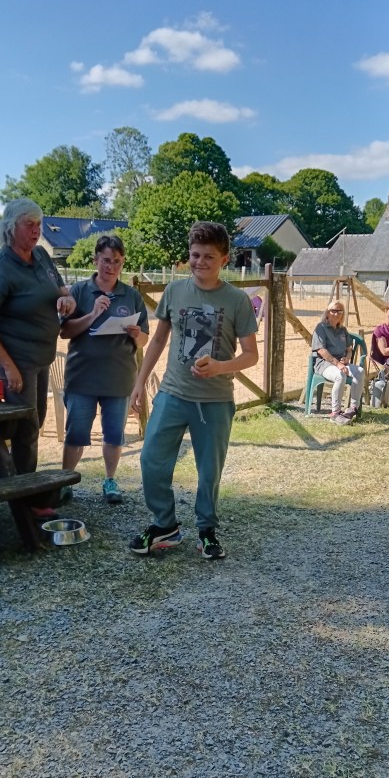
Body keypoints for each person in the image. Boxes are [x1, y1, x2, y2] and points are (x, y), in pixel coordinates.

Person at [128, 221, 258, 560]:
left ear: (224, 260)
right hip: (172, 393)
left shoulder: (237, 300)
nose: (200, 262)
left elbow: (251, 355)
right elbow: (158, 340)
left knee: (209, 471)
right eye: (195, 255)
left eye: (209, 257)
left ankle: (207, 530)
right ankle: (164, 524)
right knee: (151, 460)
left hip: (215, 400)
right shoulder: (175, 291)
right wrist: (139, 382)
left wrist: (220, 367)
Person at [0, 198, 76, 516]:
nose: (36, 230)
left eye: (39, 224)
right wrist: (8, 367)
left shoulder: (41, 256)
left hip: (41, 358)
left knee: (34, 423)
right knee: (25, 429)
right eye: (29, 224)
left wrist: (68, 301)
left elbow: (62, 290)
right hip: (18, 363)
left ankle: (25, 490)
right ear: (10, 227)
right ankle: (28, 501)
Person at [58, 235, 149, 504]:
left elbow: (145, 339)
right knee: (76, 434)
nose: (111, 266)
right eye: (106, 260)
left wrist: (136, 334)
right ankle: (64, 481)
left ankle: (110, 481)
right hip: (82, 377)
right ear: (95, 259)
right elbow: (64, 332)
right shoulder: (78, 291)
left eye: (117, 262)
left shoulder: (131, 295)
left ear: (123, 263)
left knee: (114, 435)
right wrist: (93, 315)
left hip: (119, 379)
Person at [311, 300, 365, 425]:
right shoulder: (321, 328)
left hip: (341, 363)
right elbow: (321, 350)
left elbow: (349, 349)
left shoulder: (343, 330)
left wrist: (347, 358)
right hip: (324, 363)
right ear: (327, 313)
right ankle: (335, 413)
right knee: (340, 375)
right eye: (333, 311)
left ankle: (353, 408)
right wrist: (338, 364)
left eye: (340, 311)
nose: (336, 313)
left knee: (360, 371)